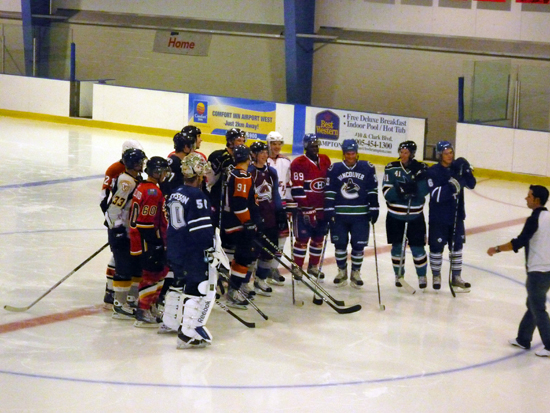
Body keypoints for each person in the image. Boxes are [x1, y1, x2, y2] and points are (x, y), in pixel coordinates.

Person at [487, 185, 550, 358]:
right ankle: (523, 338)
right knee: (533, 305)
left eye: (529, 196)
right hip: (548, 271)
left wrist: (497, 248)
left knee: (537, 308)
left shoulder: (534, 219)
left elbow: (519, 242)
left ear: (536, 199)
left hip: (538, 271)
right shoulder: (549, 217)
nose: (526, 198)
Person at [163, 153, 216, 349]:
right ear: (199, 174)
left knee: (177, 284)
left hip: (175, 246)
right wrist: (210, 250)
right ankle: (189, 333)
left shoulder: (175, 191)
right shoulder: (197, 196)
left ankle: (169, 321)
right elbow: (201, 232)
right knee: (198, 288)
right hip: (191, 251)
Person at [324, 139, 379, 288]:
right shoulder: (334, 169)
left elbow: (372, 189)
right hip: (340, 215)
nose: (350, 156)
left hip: (360, 215)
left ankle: (356, 272)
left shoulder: (367, 168)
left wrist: (374, 207)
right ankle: (342, 271)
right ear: (343, 153)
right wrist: (329, 209)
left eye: (353, 153)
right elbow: (330, 191)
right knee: (340, 244)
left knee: (358, 245)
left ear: (357, 153)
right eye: (347, 153)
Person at [426, 140, 476, 291]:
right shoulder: (433, 171)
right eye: (446, 153)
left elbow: (472, 184)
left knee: (457, 246)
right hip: (439, 216)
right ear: (439, 155)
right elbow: (437, 195)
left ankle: (456, 277)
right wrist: (456, 183)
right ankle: (436, 275)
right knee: (436, 246)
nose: (449, 156)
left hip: (457, 214)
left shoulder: (457, 169)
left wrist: (466, 170)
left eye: (451, 152)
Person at [100, 139, 143, 307]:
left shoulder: (132, 177)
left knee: (125, 261)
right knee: (122, 263)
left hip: (126, 228)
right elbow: (112, 206)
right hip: (121, 228)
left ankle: (119, 295)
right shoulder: (125, 180)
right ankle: (113, 294)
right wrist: (116, 228)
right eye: (139, 161)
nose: (142, 164)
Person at [128, 156, 170, 327]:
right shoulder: (153, 192)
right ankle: (143, 309)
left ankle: (150, 305)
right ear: (157, 172)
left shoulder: (142, 187)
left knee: (159, 272)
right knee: (151, 275)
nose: (166, 174)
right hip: (148, 241)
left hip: (142, 239)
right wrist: (156, 243)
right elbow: (144, 222)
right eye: (164, 171)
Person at [382, 140, 430, 289]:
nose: (402, 155)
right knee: (397, 247)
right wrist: (400, 190)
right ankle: (399, 274)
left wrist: (415, 188)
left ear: (412, 154)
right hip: (395, 217)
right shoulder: (391, 168)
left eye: (406, 152)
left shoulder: (421, 168)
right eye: (401, 152)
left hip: (415, 216)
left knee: (418, 248)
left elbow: (425, 191)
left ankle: (422, 275)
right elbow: (386, 193)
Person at [221, 144, 262, 308]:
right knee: (244, 257)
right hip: (238, 225)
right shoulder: (242, 176)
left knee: (235, 257)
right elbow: (239, 204)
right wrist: (248, 222)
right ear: (248, 157)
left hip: (229, 223)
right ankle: (234, 290)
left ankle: (231, 286)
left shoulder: (232, 172)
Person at [290, 133, 331, 280]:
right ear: (306, 146)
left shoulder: (325, 160)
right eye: (312, 145)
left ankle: (313, 266)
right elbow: (297, 189)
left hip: (322, 210)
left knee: (318, 239)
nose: (315, 148)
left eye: (317, 145)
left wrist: (330, 206)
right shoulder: (298, 163)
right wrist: (307, 208)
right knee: (302, 240)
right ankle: (297, 267)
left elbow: (329, 185)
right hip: (304, 211)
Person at [249, 141, 285, 296]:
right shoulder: (249, 172)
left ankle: (261, 279)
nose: (265, 155)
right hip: (255, 217)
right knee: (251, 252)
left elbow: (275, 193)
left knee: (269, 250)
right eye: (261, 152)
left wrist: (280, 211)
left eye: (266, 152)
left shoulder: (271, 172)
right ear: (254, 155)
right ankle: (244, 283)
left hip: (270, 216)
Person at [266, 131, 292, 286]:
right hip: (266, 206)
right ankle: (260, 269)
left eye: (279, 144)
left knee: (281, 238)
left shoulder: (286, 162)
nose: (276, 147)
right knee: (265, 238)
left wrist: (289, 207)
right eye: (273, 144)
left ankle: (273, 268)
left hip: (281, 205)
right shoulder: (261, 159)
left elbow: (289, 185)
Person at [208, 128, 247, 228]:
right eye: (239, 140)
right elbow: (209, 181)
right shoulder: (218, 156)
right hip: (218, 199)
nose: (242, 144)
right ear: (230, 141)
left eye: (243, 141)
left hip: (234, 200)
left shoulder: (244, 159)